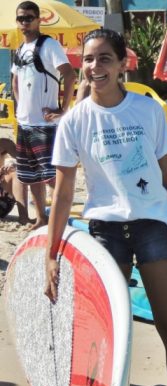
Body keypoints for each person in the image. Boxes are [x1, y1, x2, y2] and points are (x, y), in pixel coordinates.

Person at [44, 29, 167, 386]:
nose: (96, 67)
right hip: (105, 231)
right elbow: (62, 195)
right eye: (89, 60)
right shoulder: (74, 121)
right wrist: (51, 254)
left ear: (122, 64)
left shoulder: (147, 111)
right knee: (105, 333)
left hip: (154, 226)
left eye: (105, 58)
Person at [11, 1, 76, 230]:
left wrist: (63, 109)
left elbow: (70, 75)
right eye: (21, 18)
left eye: (29, 17)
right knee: (31, 176)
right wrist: (20, 106)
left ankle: (61, 220)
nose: (25, 22)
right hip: (25, 123)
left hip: (45, 125)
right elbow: (15, 80)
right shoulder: (19, 49)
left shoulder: (48, 45)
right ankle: (40, 218)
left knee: (51, 176)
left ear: (39, 20)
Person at [0, 137, 33, 223]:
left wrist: (13, 165)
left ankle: (24, 217)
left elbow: (26, 162)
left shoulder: (4, 144)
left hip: (2, 203)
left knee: (17, 173)